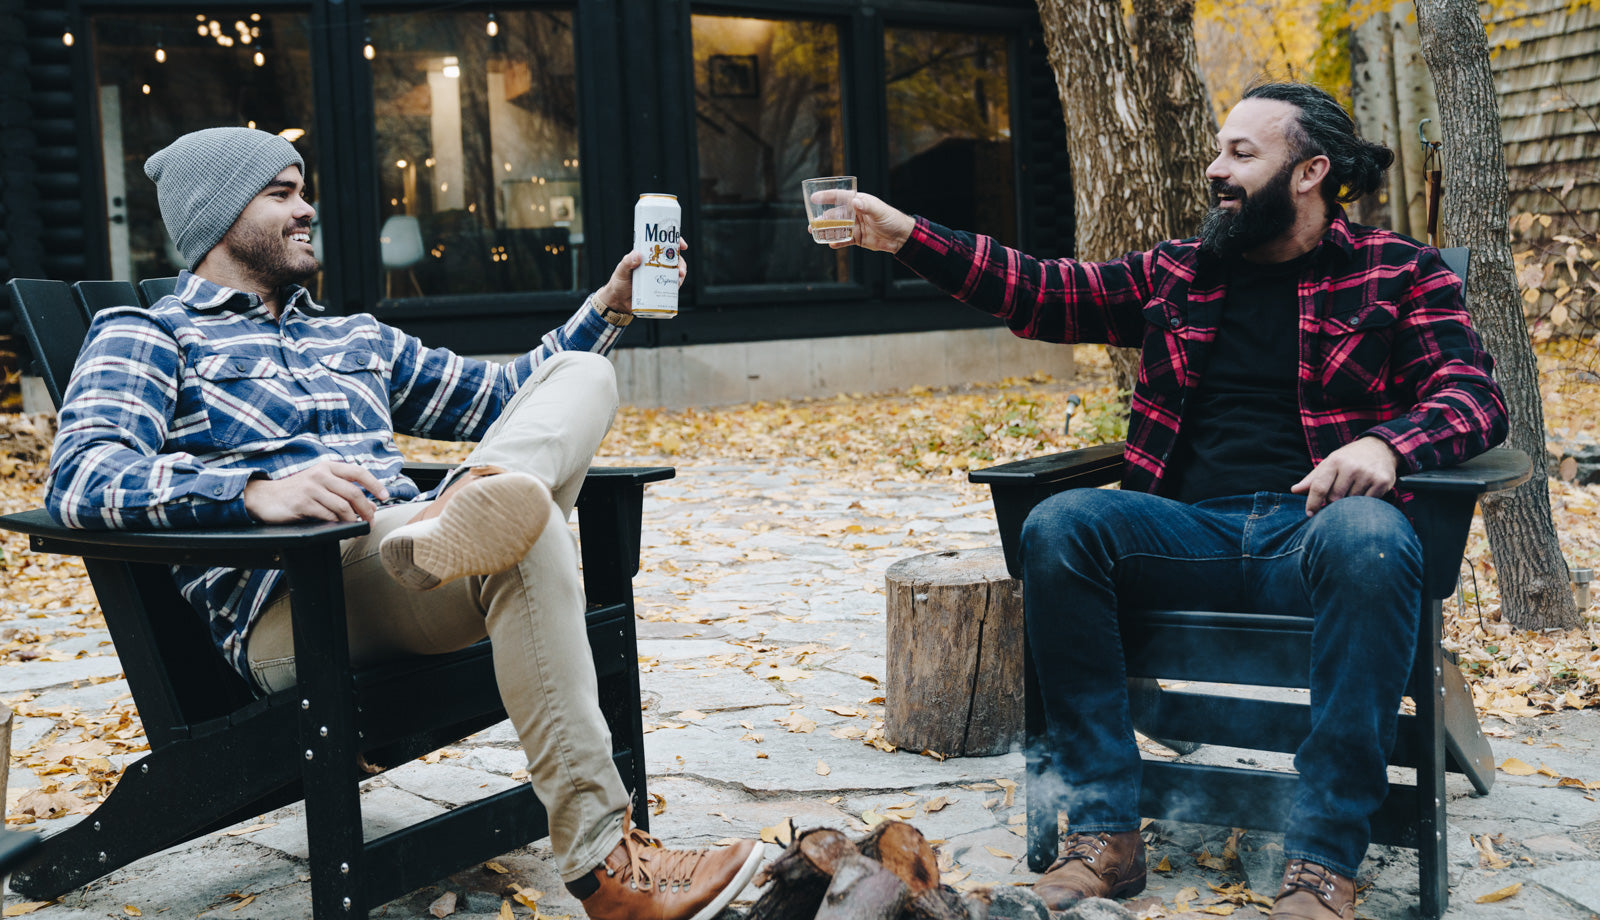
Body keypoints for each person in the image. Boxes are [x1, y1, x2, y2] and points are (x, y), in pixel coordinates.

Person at [828, 83, 1508, 920]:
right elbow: (1045, 290)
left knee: (1373, 531)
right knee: (1062, 522)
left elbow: (1473, 397)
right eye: (1219, 151)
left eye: (1242, 155)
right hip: (1186, 535)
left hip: (1320, 540)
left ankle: (1323, 866)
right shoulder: (1179, 273)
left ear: (1311, 172)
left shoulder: (1401, 272)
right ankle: (1105, 836)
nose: (1217, 170)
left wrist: (1385, 446)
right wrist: (905, 235)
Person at [46, 127, 762, 920]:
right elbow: (82, 475)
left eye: (301, 190)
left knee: (580, 378)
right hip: (298, 607)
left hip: (409, 560)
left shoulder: (352, 337)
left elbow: (506, 399)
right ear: (215, 217)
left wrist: (608, 308)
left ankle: (470, 508)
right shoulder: (147, 334)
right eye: (280, 194)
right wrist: (253, 488)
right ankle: (607, 866)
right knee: (530, 529)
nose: (307, 208)